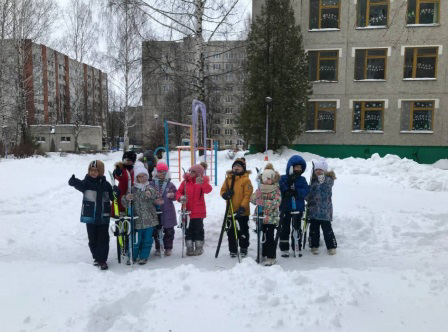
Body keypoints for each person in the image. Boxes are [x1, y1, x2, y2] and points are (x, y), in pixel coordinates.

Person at [68, 160, 117, 270]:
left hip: (103, 217)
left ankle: (102, 260)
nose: (93, 172)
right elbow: (79, 185)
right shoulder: (86, 183)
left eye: (96, 170)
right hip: (90, 216)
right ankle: (96, 257)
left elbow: (113, 198)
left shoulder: (106, 184)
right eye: (91, 170)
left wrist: (115, 191)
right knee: (93, 239)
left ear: (101, 172)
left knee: (103, 239)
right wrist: (73, 182)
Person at [121, 163, 160, 265]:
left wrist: (150, 194)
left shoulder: (150, 187)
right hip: (136, 220)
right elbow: (124, 203)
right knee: (135, 240)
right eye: (140, 176)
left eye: (144, 176)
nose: (142, 178)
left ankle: (143, 257)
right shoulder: (132, 189)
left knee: (147, 240)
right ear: (136, 178)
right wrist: (126, 198)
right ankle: (132, 256)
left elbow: (155, 196)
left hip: (150, 220)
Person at [176, 164, 213, 256]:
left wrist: (203, 183)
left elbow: (208, 190)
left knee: (198, 229)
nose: (191, 173)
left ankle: (199, 246)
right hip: (187, 210)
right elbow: (179, 192)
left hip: (198, 211)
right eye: (190, 171)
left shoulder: (201, 182)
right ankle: (189, 247)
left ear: (199, 173)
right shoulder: (185, 182)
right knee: (188, 229)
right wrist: (180, 198)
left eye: (193, 171)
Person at [220, 158, 254, 258]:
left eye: (239, 166)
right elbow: (222, 190)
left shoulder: (246, 180)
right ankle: (233, 249)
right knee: (231, 231)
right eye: (235, 166)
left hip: (242, 212)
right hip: (230, 210)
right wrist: (225, 195)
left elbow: (247, 195)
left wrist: (243, 207)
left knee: (243, 230)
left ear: (243, 168)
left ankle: (243, 247)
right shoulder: (228, 179)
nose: (236, 168)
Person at [278, 155, 310, 257]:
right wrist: (286, 190)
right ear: (290, 167)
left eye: (300, 168)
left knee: (296, 228)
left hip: (298, 207)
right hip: (286, 208)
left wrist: (296, 192)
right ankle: (284, 248)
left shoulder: (302, 179)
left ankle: (297, 247)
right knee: (285, 228)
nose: (298, 169)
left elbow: (306, 190)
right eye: (296, 167)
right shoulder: (283, 178)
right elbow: (279, 187)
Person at [250, 163, 281, 266]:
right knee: (261, 236)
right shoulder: (260, 189)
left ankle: (271, 256)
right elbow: (253, 200)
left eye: (269, 179)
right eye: (264, 178)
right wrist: (255, 198)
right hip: (260, 217)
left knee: (269, 237)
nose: (266, 180)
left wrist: (263, 203)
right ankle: (262, 253)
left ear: (273, 179)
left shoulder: (276, 189)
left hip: (271, 218)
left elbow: (276, 202)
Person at [307, 159, 337, 255]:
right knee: (313, 230)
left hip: (325, 211)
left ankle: (331, 246)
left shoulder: (328, 180)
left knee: (327, 230)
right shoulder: (313, 182)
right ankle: (314, 246)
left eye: (321, 170)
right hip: (313, 211)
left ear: (325, 171)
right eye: (316, 170)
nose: (318, 171)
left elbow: (326, 187)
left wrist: (322, 180)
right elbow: (310, 195)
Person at [150, 161, 177, 256]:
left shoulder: (170, 185)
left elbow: (176, 195)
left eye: (164, 172)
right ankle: (158, 247)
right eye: (159, 171)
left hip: (168, 211)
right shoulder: (152, 184)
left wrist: (173, 195)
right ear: (156, 172)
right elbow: (148, 196)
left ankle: (168, 247)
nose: (161, 174)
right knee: (156, 230)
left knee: (169, 231)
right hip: (155, 211)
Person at [113, 151, 137, 216]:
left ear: (133, 161)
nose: (127, 162)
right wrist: (118, 173)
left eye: (129, 160)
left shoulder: (135, 170)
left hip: (133, 195)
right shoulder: (122, 170)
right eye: (125, 160)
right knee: (122, 210)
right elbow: (119, 176)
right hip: (122, 193)